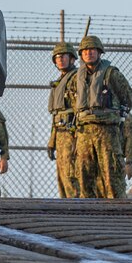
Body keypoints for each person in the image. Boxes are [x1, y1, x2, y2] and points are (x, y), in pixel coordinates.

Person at [72, 35, 132, 198]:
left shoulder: (111, 74)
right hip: (84, 132)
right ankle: (87, 216)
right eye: (85, 51)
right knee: (85, 178)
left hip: (107, 131)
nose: (88, 53)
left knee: (112, 176)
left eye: (92, 50)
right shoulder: (77, 77)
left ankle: (118, 215)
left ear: (99, 52)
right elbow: (74, 100)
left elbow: (127, 97)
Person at [47, 41, 80, 198]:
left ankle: (76, 212)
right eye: (57, 57)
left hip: (71, 135)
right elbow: (56, 115)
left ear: (72, 59)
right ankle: (67, 208)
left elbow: (79, 110)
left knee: (71, 176)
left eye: (63, 56)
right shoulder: (60, 82)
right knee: (62, 178)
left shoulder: (76, 79)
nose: (60, 60)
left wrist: (76, 136)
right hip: (60, 135)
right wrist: (51, 142)